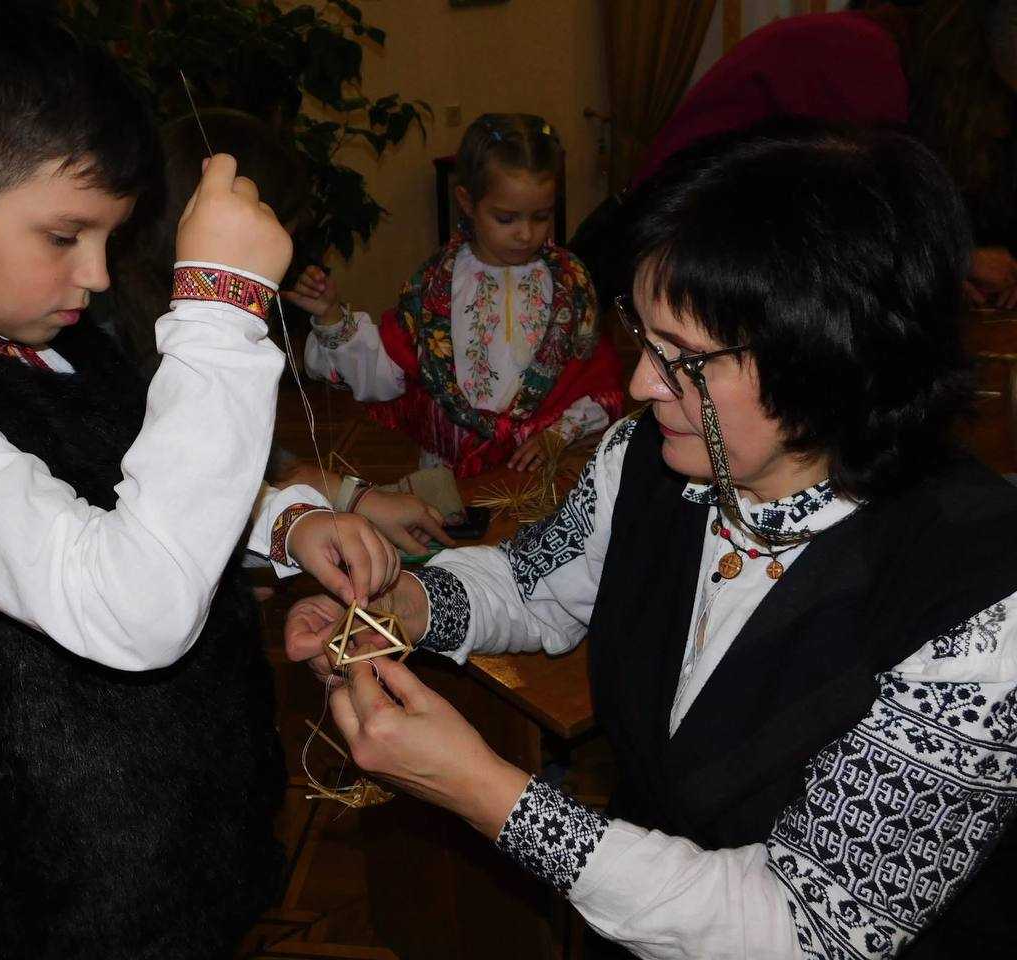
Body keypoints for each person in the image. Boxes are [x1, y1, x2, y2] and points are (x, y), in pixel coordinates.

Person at [0, 4, 399, 958]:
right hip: (57, 900)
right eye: (65, 236)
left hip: (170, 850)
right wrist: (220, 309)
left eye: (109, 238)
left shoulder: (28, 334)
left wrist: (280, 523)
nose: (96, 275)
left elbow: (116, 485)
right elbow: (134, 607)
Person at [287, 121, 1017, 958]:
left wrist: (490, 794)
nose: (640, 382)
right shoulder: (649, 458)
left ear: (830, 366)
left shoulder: (977, 599)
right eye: (643, 337)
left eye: (685, 359)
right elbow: (535, 581)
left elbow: (809, 927)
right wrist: (404, 602)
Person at [98, 107, 457, 555]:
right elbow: (195, 495)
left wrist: (353, 498)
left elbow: (252, 466)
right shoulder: (119, 343)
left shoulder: (166, 307)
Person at [576, 0, 1017, 309]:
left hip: (695, 250)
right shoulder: (865, 62)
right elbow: (870, 228)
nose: (998, 125)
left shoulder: (870, 50)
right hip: (656, 262)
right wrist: (957, 261)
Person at [290, 114, 623, 478]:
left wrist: (558, 434)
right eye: (506, 219)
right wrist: (330, 315)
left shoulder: (570, 284)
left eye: (541, 216)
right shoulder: (435, 287)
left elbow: (598, 379)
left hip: (540, 470)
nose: (526, 234)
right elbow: (386, 372)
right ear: (466, 201)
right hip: (451, 474)